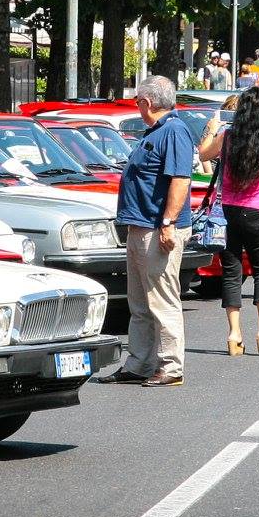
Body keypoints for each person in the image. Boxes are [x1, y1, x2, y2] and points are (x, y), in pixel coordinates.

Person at [101, 75, 195, 387]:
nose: (137, 106)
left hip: (157, 229)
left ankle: (170, 366)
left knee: (162, 300)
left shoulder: (174, 131)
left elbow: (180, 180)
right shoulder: (157, 131)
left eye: (138, 101)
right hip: (141, 227)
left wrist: (168, 223)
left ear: (147, 103)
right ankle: (140, 363)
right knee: (140, 302)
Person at [197, 87, 259, 358]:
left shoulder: (227, 137)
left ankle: (234, 336)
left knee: (232, 270)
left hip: (228, 211)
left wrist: (212, 128)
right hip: (257, 211)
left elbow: (202, 155)